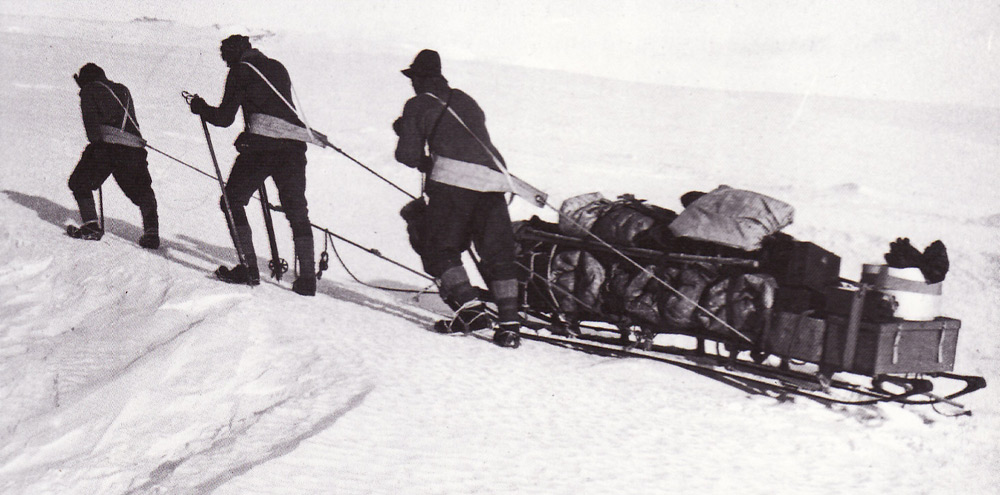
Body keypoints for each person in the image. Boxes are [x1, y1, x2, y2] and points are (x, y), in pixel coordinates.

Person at [393, 49, 521, 348]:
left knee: (437, 247)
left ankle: (471, 309)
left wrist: (406, 133)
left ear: (420, 79)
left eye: (413, 78)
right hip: (493, 180)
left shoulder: (417, 103)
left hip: (453, 184)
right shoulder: (464, 98)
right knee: (498, 254)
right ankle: (510, 327)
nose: (412, 84)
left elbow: (406, 155)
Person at [188, 35, 316, 296]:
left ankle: (248, 269)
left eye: (225, 57)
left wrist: (200, 108)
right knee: (297, 211)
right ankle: (308, 280)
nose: (225, 63)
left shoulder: (239, 71)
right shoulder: (278, 67)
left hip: (261, 149)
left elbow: (225, 118)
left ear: (234, 54)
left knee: (231, 200)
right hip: (293, 147)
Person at [68, 63, 159, 248]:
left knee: (78, 182)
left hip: (107, 148)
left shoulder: (89, 90)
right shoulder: (122, 90)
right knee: (142, 190)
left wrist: (95, 153)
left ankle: (91, 226)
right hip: (134, 147)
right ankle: (152, 233)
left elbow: (93, 133)